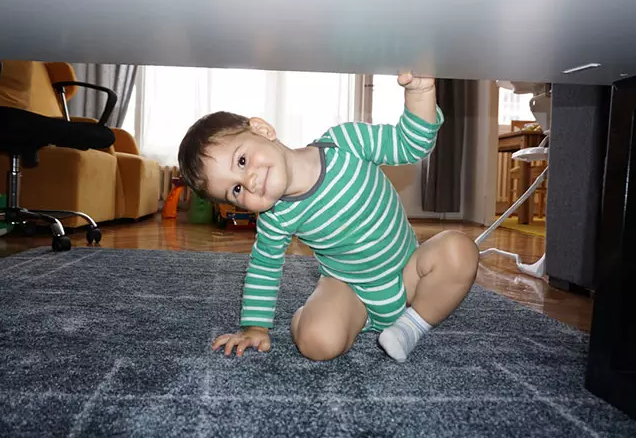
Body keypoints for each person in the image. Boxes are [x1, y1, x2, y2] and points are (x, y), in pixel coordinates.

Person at [177, 73, 479, 362]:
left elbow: (410, 144)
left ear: (262, 129)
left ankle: (411, 326)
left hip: (409, 273)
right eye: (237, 189)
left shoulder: (345, 143)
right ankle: (311, 314)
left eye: (242, 161)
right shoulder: (276, 216)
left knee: (460, 249)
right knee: (317, 343)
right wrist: (255, 327)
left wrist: (420, 93)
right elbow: (265, 267)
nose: (251, 181)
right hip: (350, 291)